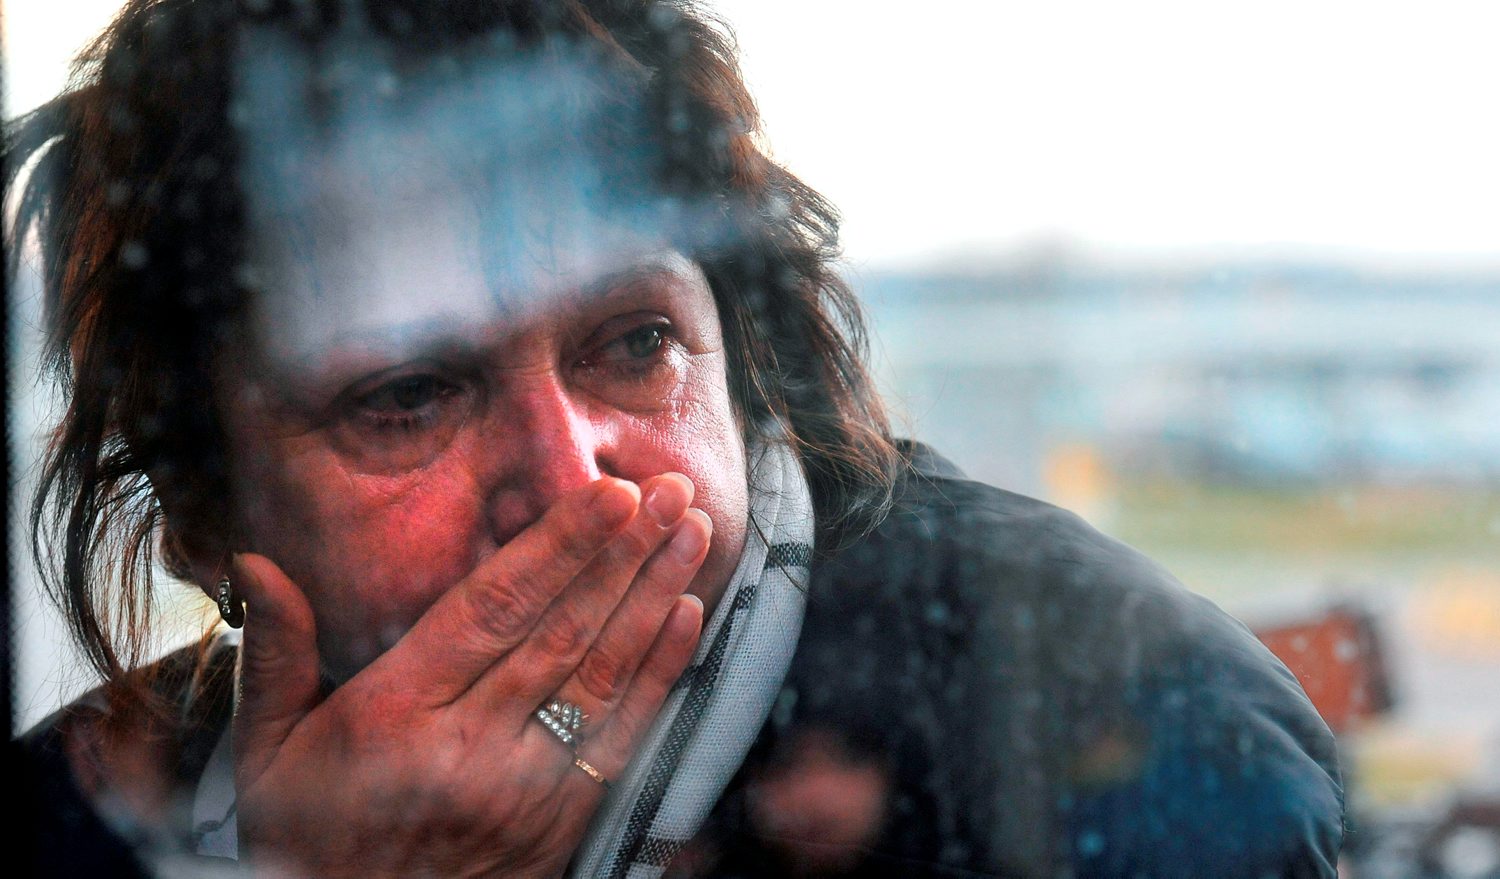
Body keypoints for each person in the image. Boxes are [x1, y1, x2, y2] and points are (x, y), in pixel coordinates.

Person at [7, 1, 1344, 875]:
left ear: (739, 349)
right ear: (202, 510)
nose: (576, 471)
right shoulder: (67, 826)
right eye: (406, 398)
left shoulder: (1109, 740)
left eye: (635, 345)